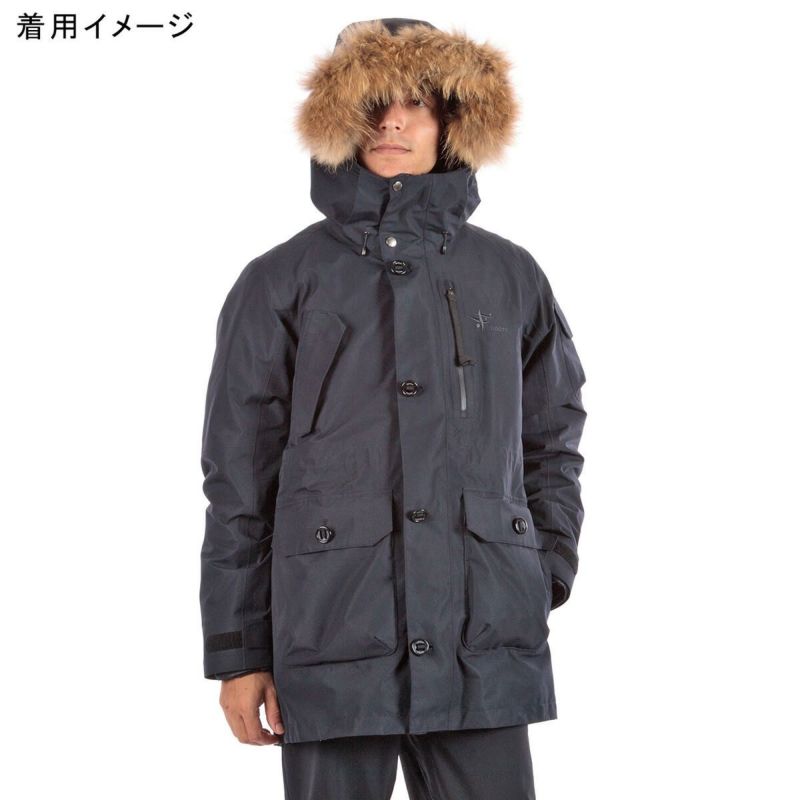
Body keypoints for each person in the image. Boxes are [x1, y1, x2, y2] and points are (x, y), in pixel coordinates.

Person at [199, 18, 587, 799]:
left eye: (417, 104)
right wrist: (240, 651)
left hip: (484, 638)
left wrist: (538, 570)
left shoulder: (511, 275)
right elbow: (239, 474)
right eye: (372, 103)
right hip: (331, 633)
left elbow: (552, 441)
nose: (393, 122)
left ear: (453, 122)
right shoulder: (280, 280)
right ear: (339, 118)